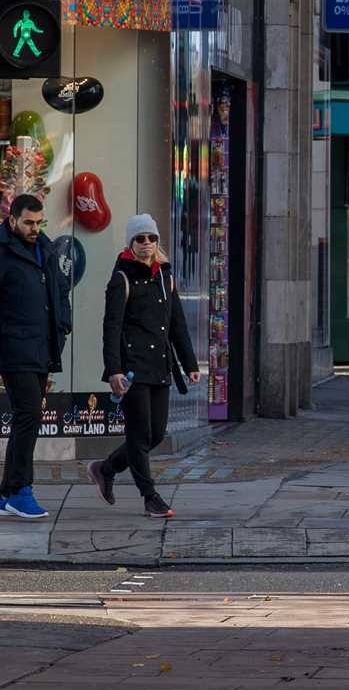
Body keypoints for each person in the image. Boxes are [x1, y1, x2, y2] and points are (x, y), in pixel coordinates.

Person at [88, 214, 200, 519]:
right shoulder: (121, 278)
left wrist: (190, 363)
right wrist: (114, 371)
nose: (146, 244)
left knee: (155, 434)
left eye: (151, 238)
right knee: (139, 436)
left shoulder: (166, 276)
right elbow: (110, 329)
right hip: (132, 369)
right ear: (130, 243)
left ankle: (105, 468)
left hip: (160, 366)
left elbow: (177, 324)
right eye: (140, 239)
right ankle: (150, 497)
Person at [0, 195, 71, 519]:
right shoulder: (3, 252)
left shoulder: (45, 247)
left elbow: (59, 290)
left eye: (39, 221)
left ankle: (6, 494)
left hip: (41, 347)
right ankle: (20, 489)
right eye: (28, 222)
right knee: (28, 415)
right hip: (14, 348)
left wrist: (63, 325)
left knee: (25, 417)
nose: (34, 228)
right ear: (12, 219)